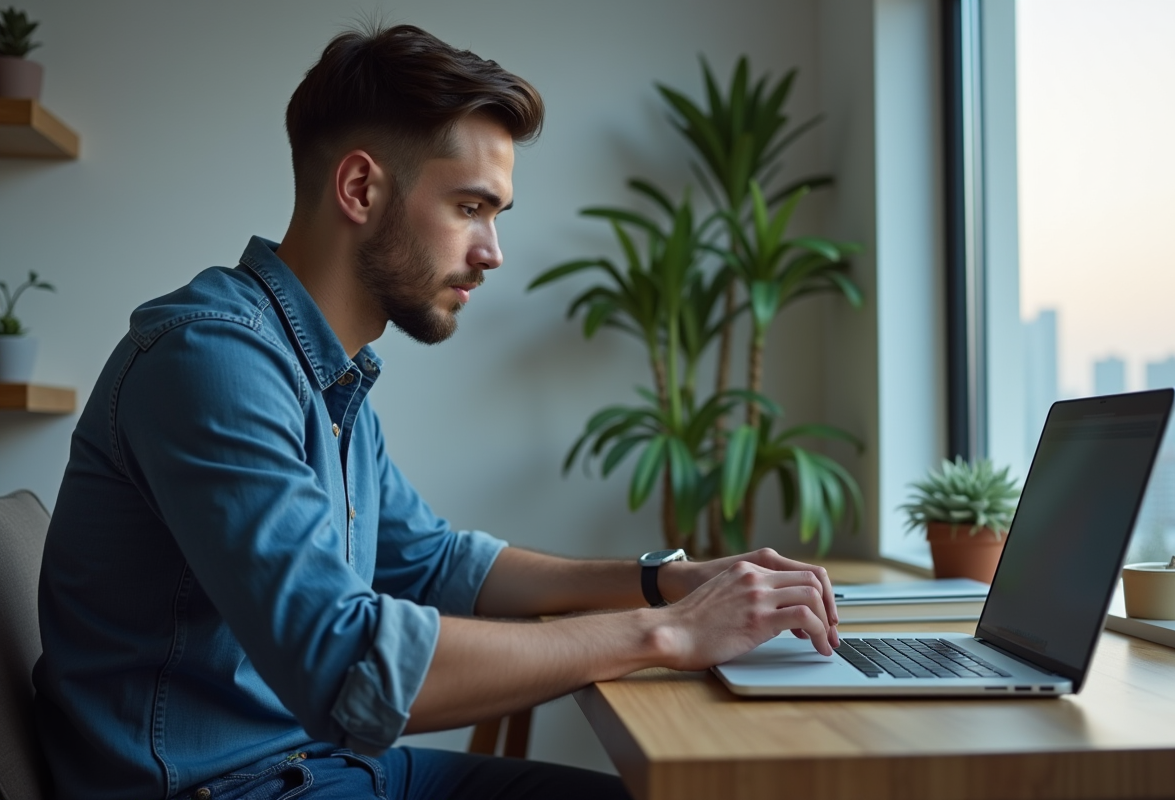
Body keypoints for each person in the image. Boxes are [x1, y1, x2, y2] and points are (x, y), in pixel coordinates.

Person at [33, 23, 840, 800]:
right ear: (360, 189)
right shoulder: (210, 361)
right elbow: (346, 666)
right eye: (470, 207)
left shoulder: (326, 377)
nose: (493, 251)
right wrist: (669, 635)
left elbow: (440, 565)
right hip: (230, 785)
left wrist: (662, 582)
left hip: (321, 767)